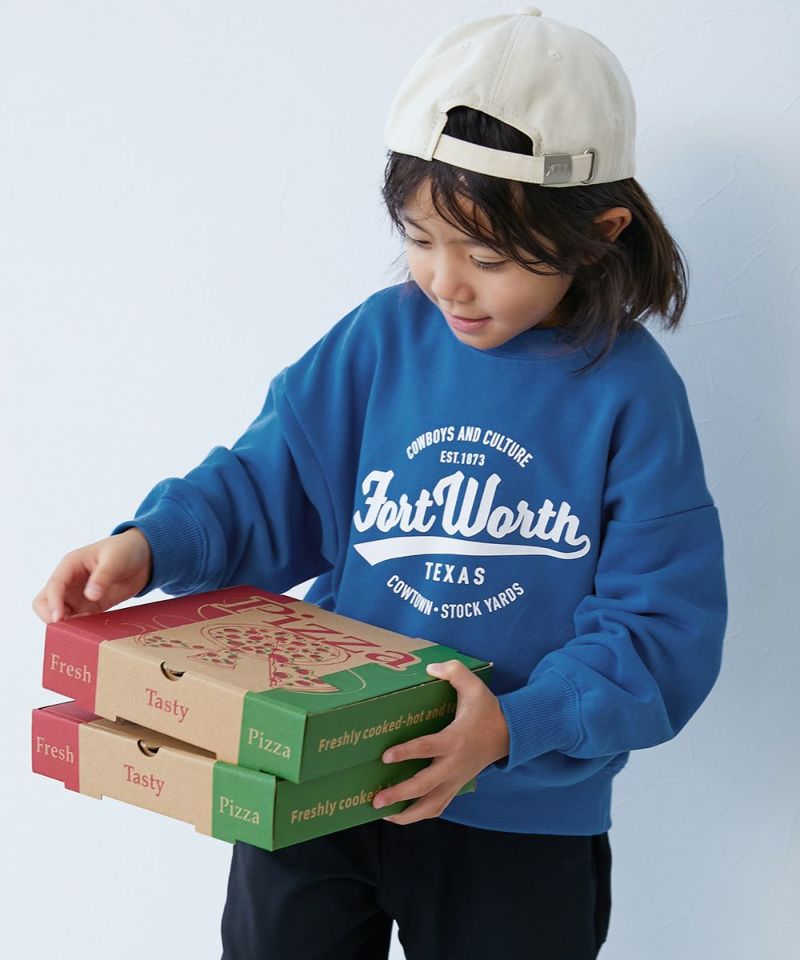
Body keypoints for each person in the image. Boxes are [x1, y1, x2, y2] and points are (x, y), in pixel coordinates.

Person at [32, 8, 728, 959]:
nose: (448, 282)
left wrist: (511, 727)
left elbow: (661, 626)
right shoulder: (381, 339)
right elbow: (271, 482)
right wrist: (152, 545)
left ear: (598, 234)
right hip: (318, 776)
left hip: (514, 814)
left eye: (489, 257)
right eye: (421, 238)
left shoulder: (629, 393)